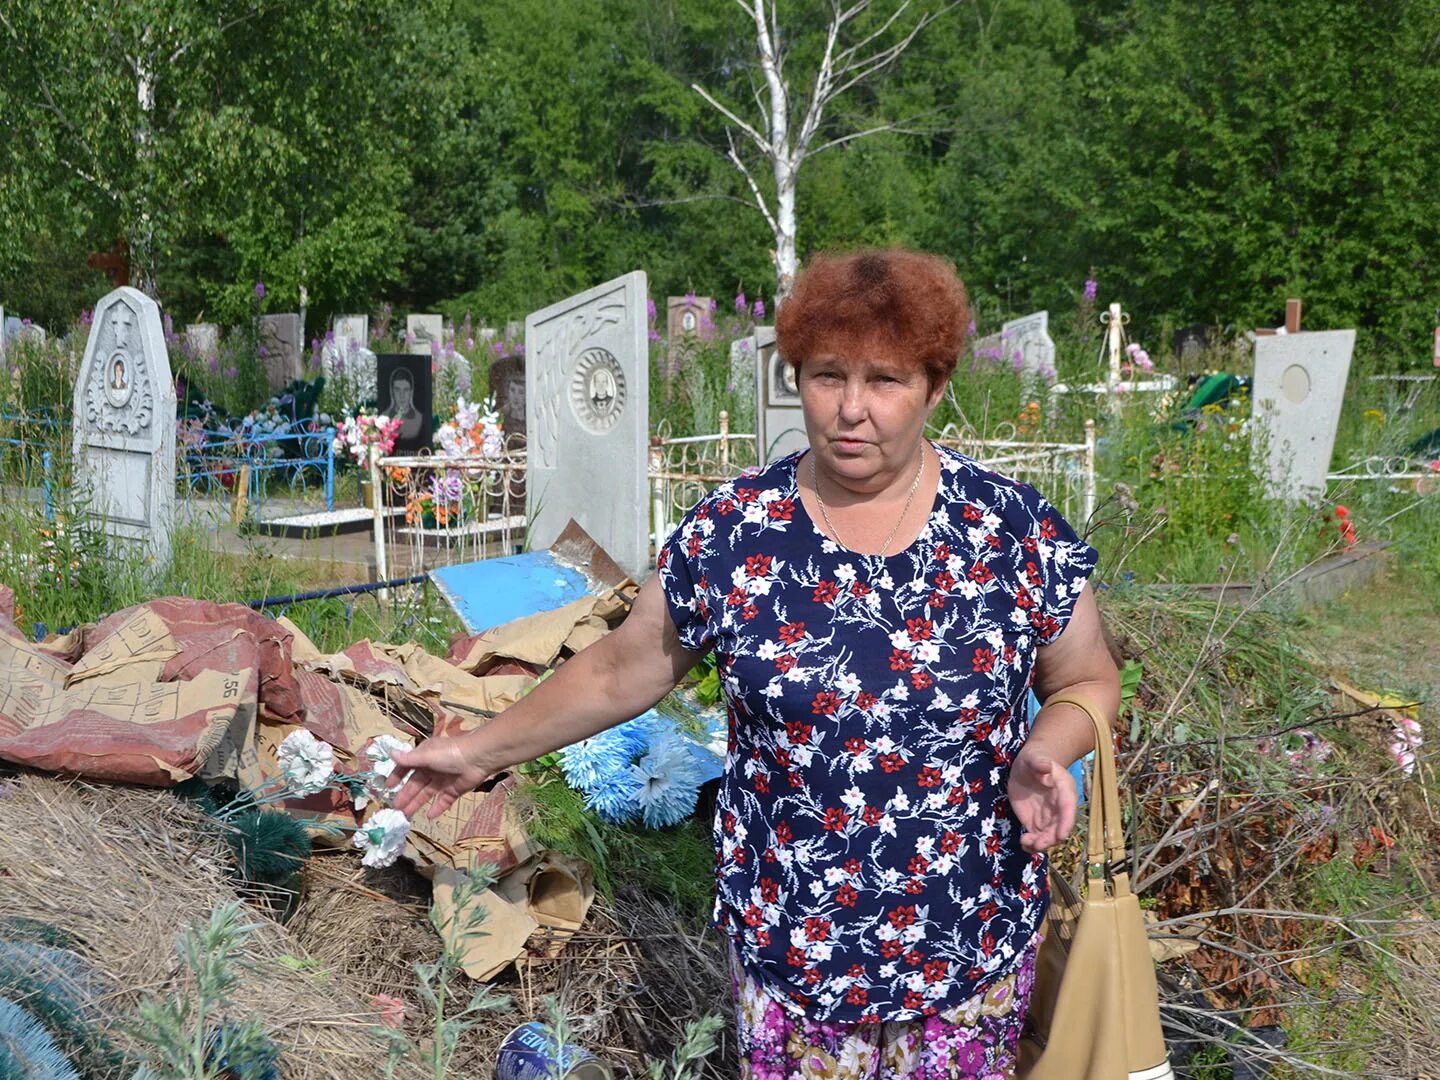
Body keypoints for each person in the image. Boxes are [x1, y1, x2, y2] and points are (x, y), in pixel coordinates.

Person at [390, 249, 1118, 1078]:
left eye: (885, 380)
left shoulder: (1008, 532)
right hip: (793, 955)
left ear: (935, 387)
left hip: (965, 945)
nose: (851, 409)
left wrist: (1046, 750)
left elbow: (1088, 679)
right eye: (826, 375)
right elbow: (621, 670)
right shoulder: (734, 535)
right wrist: (473, 752)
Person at [389, 367, 423, 440]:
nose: (402, 395)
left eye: (406, 390)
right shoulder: (384, 417)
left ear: (411, 392)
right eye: (397, 390)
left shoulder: (419, 418)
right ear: (392, 391)